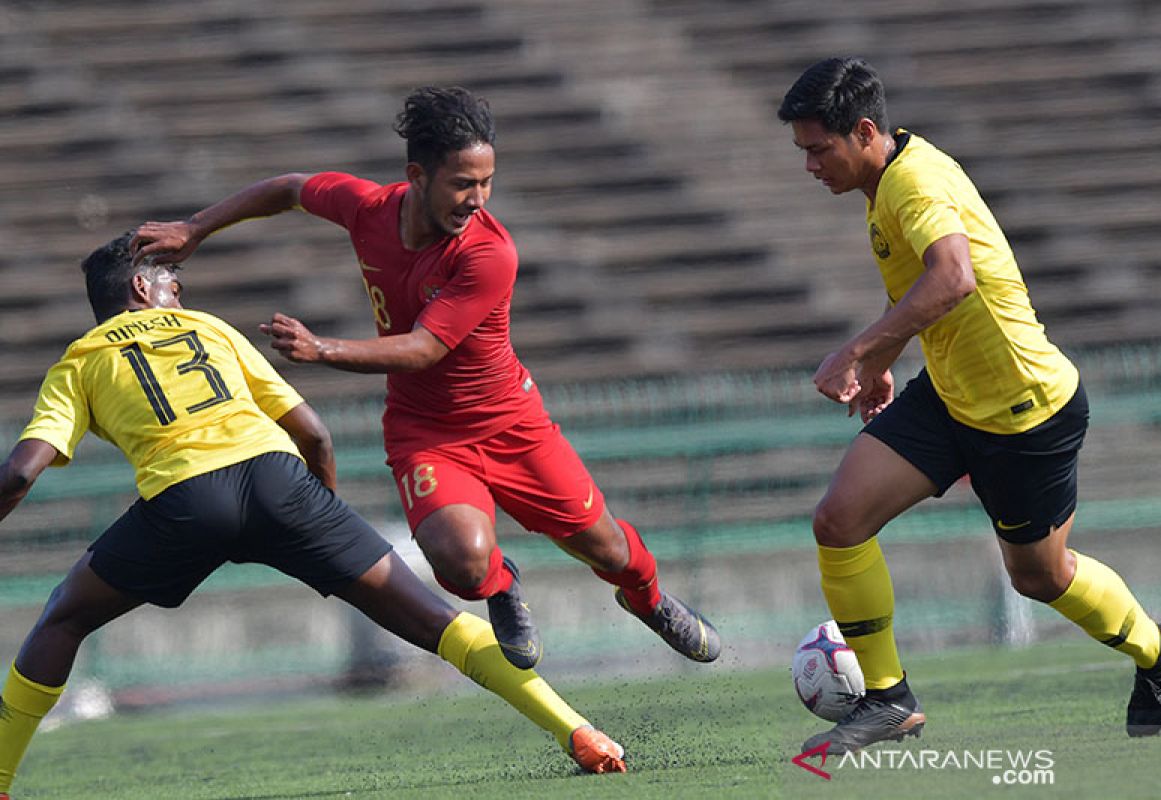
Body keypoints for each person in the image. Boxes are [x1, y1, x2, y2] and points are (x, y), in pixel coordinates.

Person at [0, 233, 627, 800]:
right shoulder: (211, 330)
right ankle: (578, 730)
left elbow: (21, 472)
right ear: (142, 289)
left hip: (185, 501)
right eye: (172, 283)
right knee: (433, 619)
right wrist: (318, 527)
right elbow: (314, 434)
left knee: (64, 616)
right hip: (281, 482)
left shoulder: (79, 361)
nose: (180, 293)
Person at [128, 86, 720, 672]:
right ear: (418, 174)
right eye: (464, 183)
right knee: (461, 562)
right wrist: (196, 227)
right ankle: (502, 585)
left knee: (611, 550)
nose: (478, 199)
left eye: (487, 183)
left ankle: (648, 601)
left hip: (512, 423)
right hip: (426, 431)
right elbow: (289, 189)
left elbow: (423, 349)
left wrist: (321, 348)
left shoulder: (488, 252)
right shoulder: (367, 208)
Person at [776, 57, 1161, 754]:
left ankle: (1160, 647)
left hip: (1024, 410)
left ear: (866, 131)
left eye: (819, 149)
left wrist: (857, 351)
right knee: (839, 519)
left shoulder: (913, 182)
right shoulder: (886, 185)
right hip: (950, 398)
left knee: (1040, 576)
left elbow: (953, 277)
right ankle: (888, 698)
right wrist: (882, 357)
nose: (810, 165)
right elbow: (920, 286)